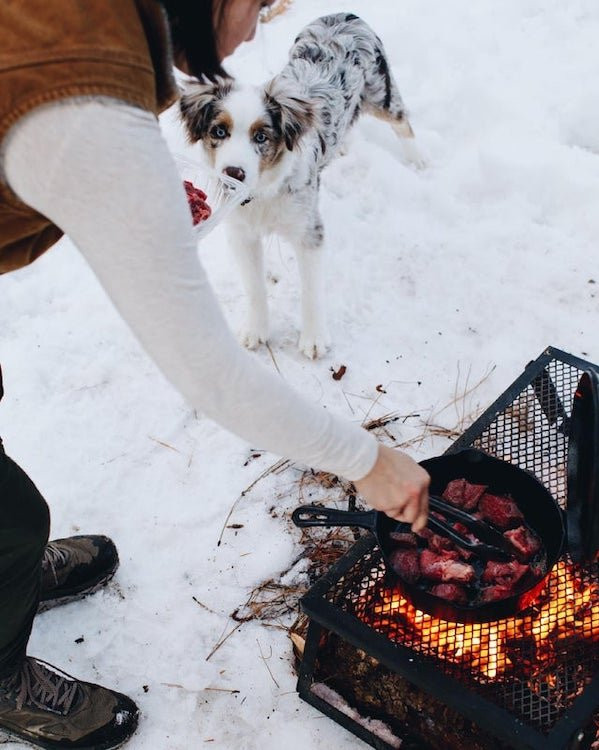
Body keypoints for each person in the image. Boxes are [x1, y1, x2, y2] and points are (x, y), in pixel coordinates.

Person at [0, 1, 430, 747]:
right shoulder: (86, 91)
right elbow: (210, 375)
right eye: (260, 5)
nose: (258, 30)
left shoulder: (90, 26)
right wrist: (369, 462)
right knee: (10, 518)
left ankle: (5, 571)